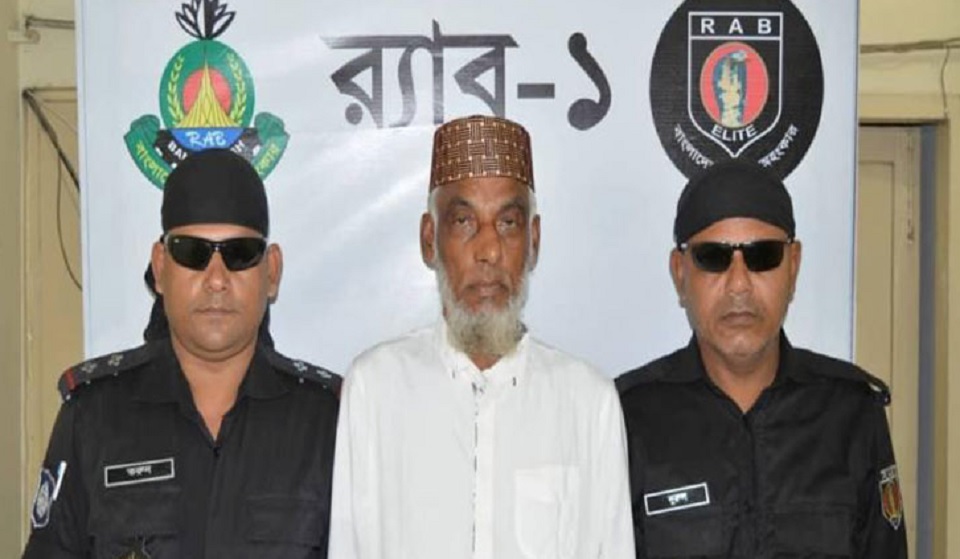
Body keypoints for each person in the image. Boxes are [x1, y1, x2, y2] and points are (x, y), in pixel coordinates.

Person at [329, 115, 635, 559]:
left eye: (508, 223)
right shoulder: (376, 388)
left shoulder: (588, 402)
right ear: (429, 239)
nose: (488, 250)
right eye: (463, 221)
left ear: (534, 240)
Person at [23, 149, 341, 559]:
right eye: (192, 252)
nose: (216, 280)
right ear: (160, 267)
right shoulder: (93, 417)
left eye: (240, 253)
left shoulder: (326, 424)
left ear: (272, 271)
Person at [616, 160, 908, 558]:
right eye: (713, 257)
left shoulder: (851, 415)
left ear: (793, 266)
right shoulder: (630, 421)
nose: (739, 285)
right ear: (680, 273)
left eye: (763, 256)